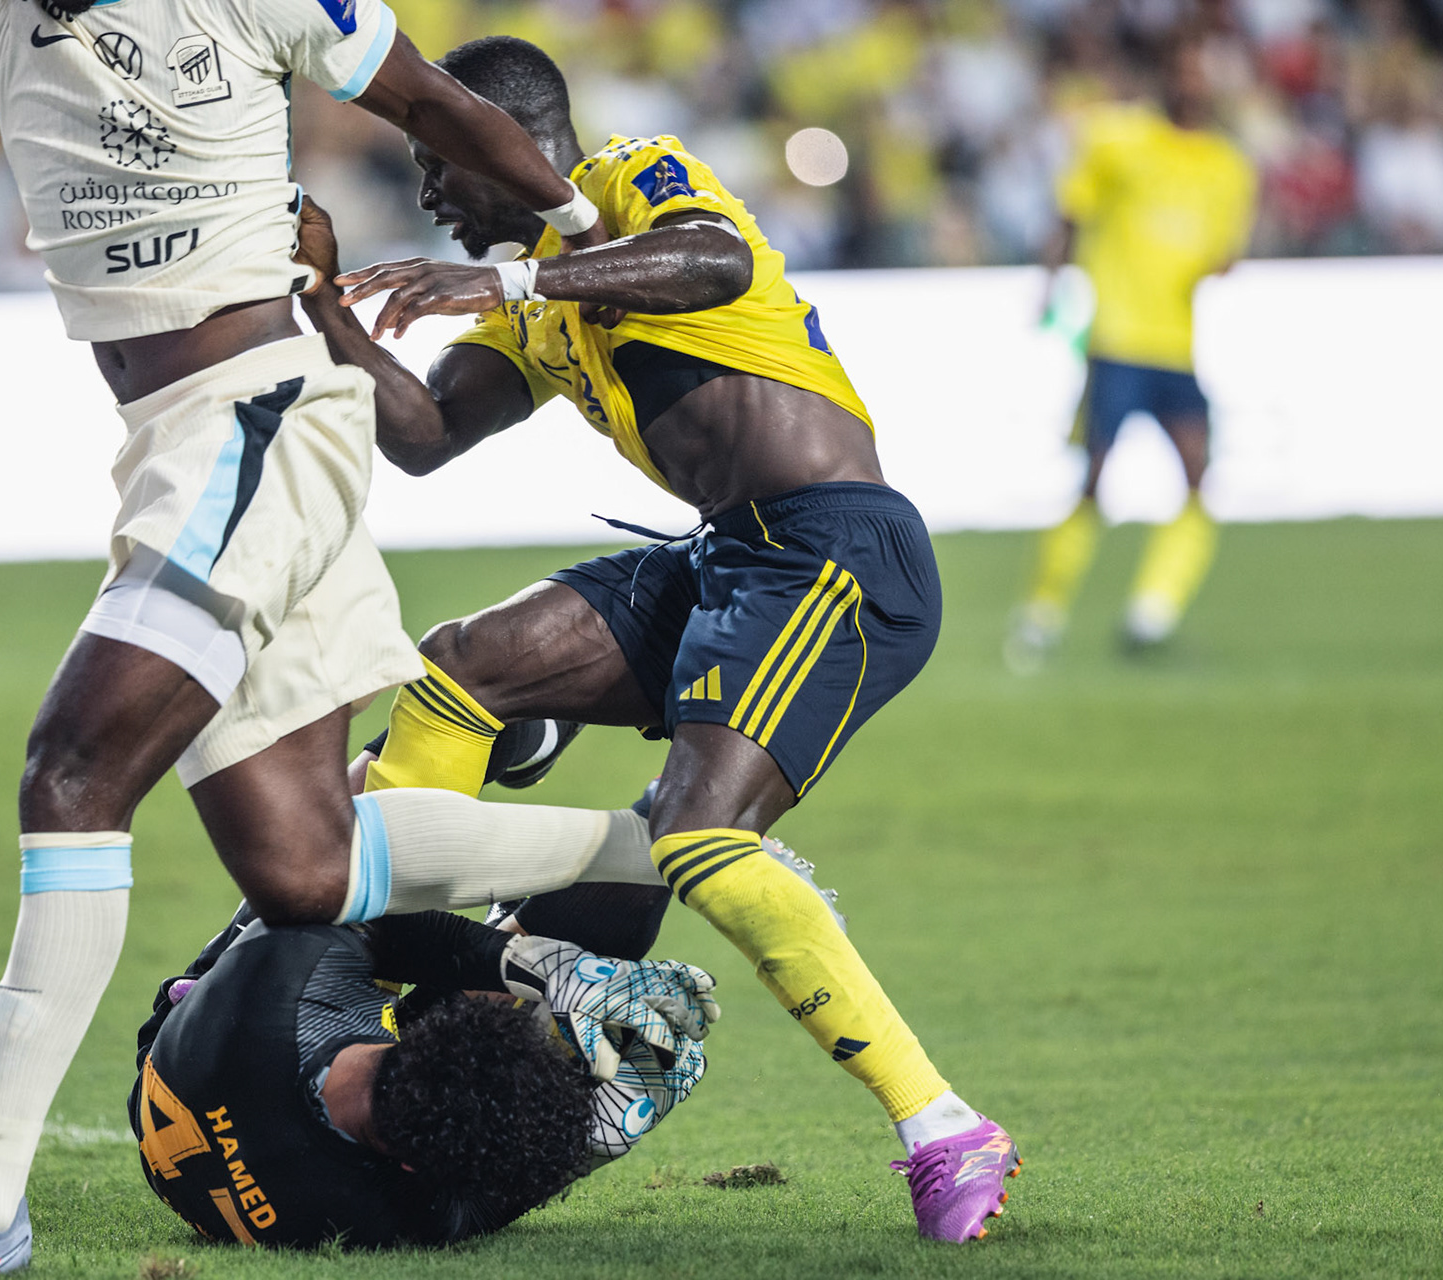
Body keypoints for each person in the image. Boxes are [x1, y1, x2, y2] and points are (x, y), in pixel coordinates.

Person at [0, 1, 694, 1275]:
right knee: (301, 865)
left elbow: (441, 108)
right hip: (187, 435)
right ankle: (670, 846)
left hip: (265, 419)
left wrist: (575, 234)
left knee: (74, 772)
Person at [294, 35, 1021, 1245]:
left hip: (831, 551)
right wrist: (325, 306)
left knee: (696, 829)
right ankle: (389, 985)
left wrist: (520, 286)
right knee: (462, 666)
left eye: (437, 159)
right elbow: (421, 434)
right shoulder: (538, 296)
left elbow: (715, 259)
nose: (426, 192)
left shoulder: (638, 177)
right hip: (728, 554)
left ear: (499, 135)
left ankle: (943, 1123)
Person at [129, 903, 713, 1248]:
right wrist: (597, 1135)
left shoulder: (284, 977)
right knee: (610, 909)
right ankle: (649, 811)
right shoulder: (397, 1212)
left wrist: (545, 970)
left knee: (320, 865)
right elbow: (487, 1198)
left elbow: (360, 897)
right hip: (240, 1089)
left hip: (195, 1041)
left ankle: (506, 731)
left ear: (427, 1029)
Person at [1008, 36, 1258, 669]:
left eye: (1200, 73)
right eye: (1182, 69)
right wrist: (1049, 283)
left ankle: (1153, 612)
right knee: (1095, 478)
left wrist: (1219, 264)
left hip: (1176, 347)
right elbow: (1072, 214)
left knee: (1198, 476)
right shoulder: (1117, 139)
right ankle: (1043, 610)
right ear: (1167, 76)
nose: (1191, 83)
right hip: (1117, 339)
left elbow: (1225, 251)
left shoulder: (1228, 166)